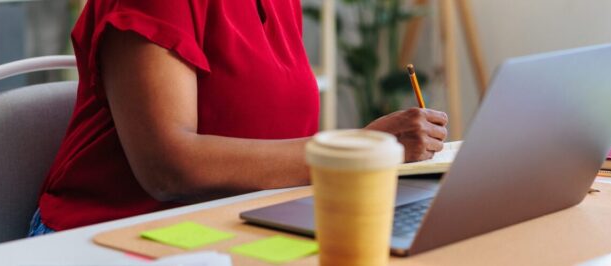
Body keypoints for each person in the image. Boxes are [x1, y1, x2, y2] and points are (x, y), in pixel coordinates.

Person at [28, 0, 448, 236]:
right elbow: (167, 168)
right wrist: (355, 150)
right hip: (111, 233)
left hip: (235, 225)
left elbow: (271, 135)